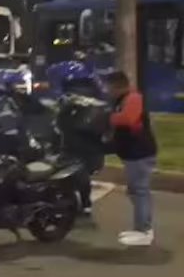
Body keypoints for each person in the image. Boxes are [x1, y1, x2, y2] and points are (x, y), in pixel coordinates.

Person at [104, 70, 158, 246]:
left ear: (118, 86)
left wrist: (107, 118)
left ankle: (144, 231)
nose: (107, 91)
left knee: (140, 191)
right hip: (132, 153)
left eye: (109, 87)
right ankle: (141, 228)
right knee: (135, 191)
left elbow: (128, 119)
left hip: (140, 154)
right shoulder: (120, 100)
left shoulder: (133, 98)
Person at [50, 61, 108, 216]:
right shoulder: (93, 92)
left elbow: (60, 119)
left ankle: (80, 204)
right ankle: (83, 204)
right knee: (79, 173)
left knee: (73, 171)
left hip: (76, 142)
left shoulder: (69, 98)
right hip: (88, 143)